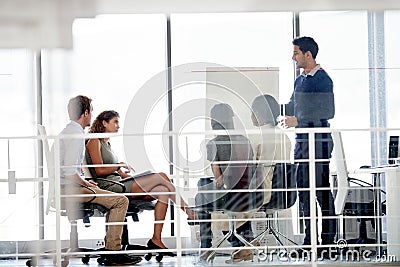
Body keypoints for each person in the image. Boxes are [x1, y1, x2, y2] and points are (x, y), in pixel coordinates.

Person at [85, 110, 197, 252]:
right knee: (161, 176)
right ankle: (190, 212)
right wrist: (118, 165)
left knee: (163, 191)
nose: (118, 126)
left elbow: (117, 172)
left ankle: (156, 239)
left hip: (120, 182)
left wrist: (137, 178)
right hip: (110, 188)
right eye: (115, 122)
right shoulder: (94, 141)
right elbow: (100, 171)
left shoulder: (108, 145)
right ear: (104, 123)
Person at [58, 95, 141, 265]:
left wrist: (85, 181)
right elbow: (68, 170)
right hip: (72, 189)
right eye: (91, 111)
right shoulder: (75, 135)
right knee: (120, 201)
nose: (91, 115)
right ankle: (113, 253)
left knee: (117, 200)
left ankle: (112, 249)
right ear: (86, 112)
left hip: (70, 186)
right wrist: (85, 182)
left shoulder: (69, 131)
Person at [281, 36, 336, 251]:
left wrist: (298, 121)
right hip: (302, 143)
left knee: (322, 192)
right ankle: (309, 242)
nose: (293, 57)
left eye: (296, 53)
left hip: (319, 142)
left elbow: (327, 112)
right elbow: (293, 106)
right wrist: (266, 108)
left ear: (308, 54)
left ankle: (328, 243)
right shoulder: (300, 80)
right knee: (303, 192)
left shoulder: (323, 80)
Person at [195, 103, 257, 264]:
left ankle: (206, 247)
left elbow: (219, 179)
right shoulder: (244, 140)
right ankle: (242, 244)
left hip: (228, 196)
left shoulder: (213, 144)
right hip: (247, 195)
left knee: (201, 193)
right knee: (234, 197)